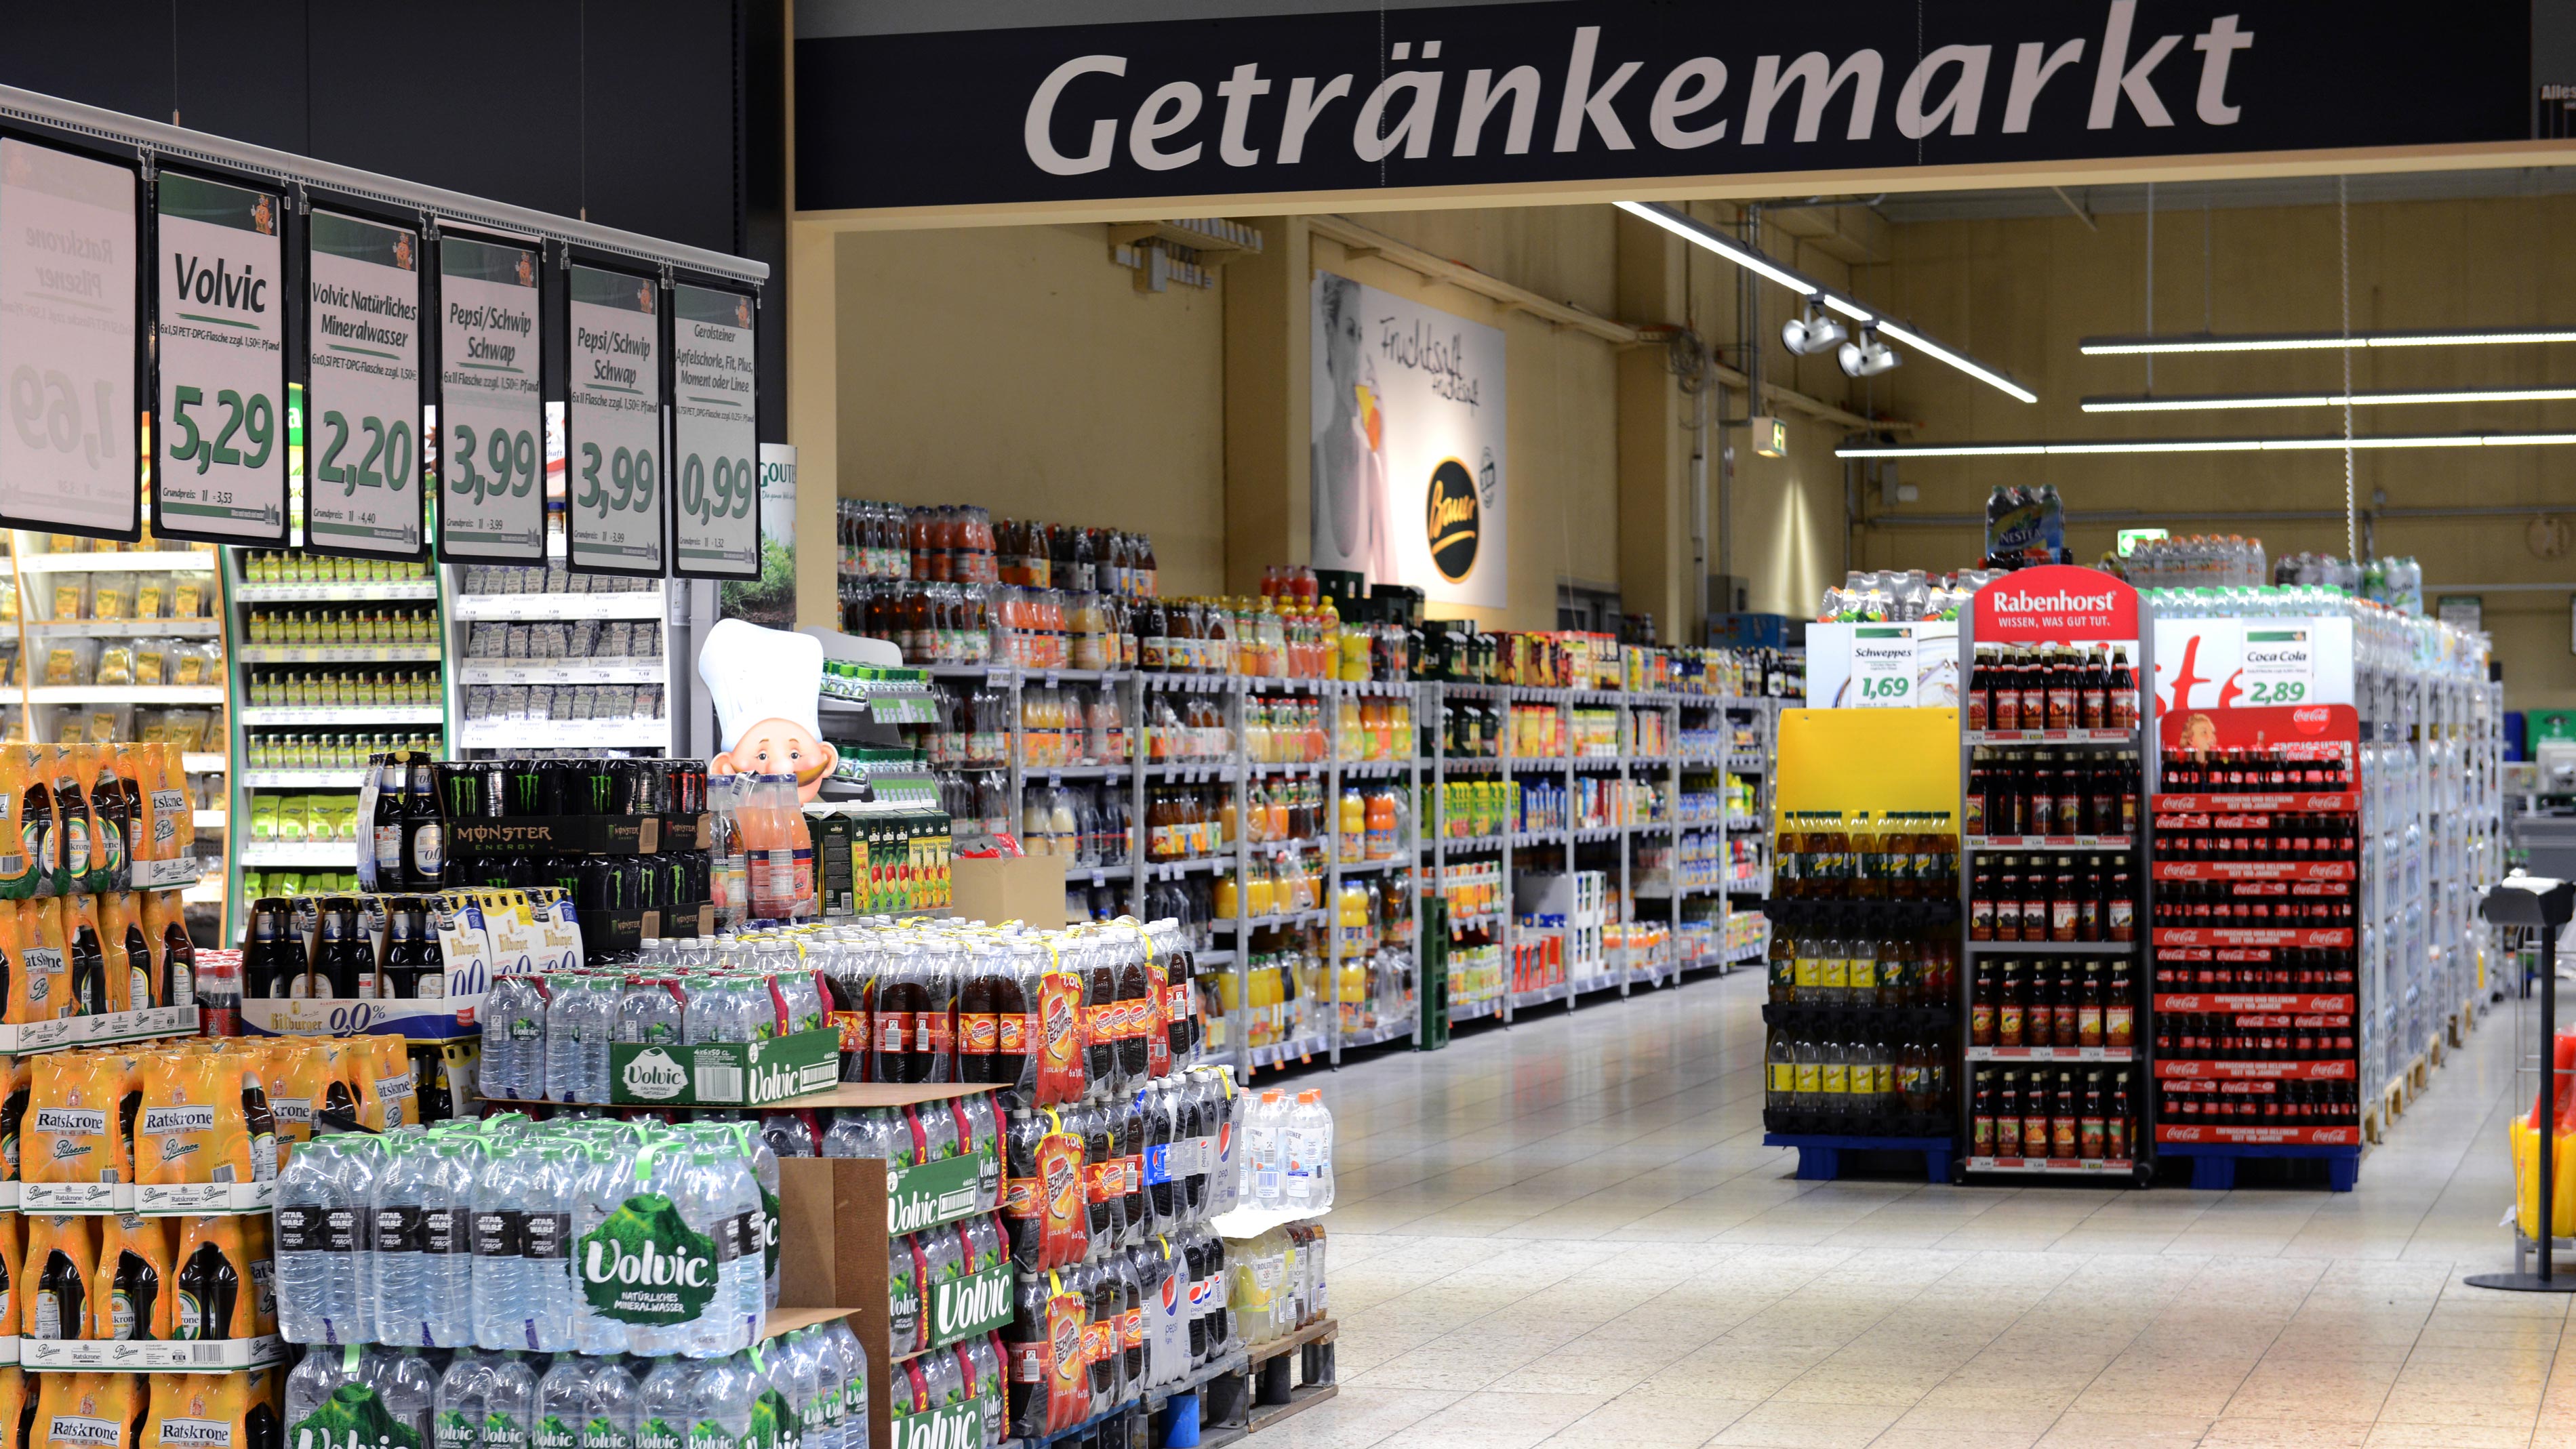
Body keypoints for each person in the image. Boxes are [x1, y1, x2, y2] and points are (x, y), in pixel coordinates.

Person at [1312, 274, 1390, 584]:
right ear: (1330, 336)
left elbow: (1390, 585)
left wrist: (1383, 453)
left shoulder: (1370, 468)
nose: (1357, 352)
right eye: (1349, 332)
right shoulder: (1313, 464)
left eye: (1360, 335)